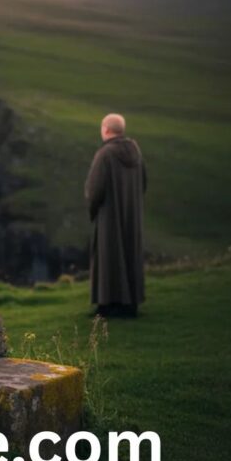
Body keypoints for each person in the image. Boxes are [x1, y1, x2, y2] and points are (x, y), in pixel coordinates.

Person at [85, 113, 146, 317]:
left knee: (108, 257)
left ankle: (107, 305)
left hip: (109, 217)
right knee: (129, 256)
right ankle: (130, 305)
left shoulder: (105, 154)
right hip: (132, 216)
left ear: (106, 129)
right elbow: (143, 183)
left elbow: (94, 190)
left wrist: (93, 210)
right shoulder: (135, 151)